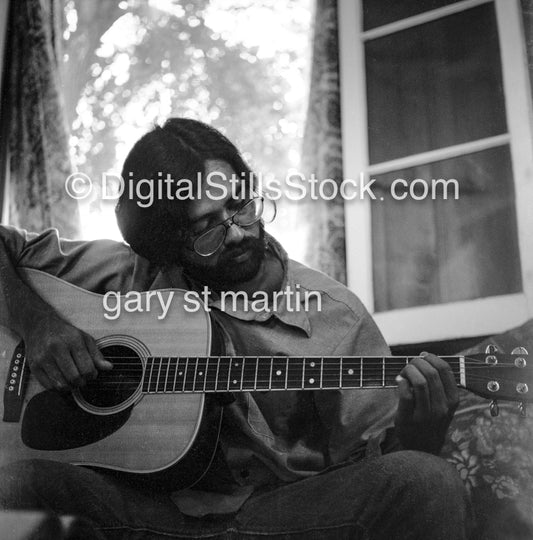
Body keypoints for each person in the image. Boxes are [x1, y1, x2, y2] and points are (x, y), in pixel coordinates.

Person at [0, 118, 473, 539]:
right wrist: (36, 322)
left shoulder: (334, 315)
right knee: (14, 481)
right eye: (207, 227)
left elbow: (378, 467)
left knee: (427, 479)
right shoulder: (130, 273)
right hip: (140, 507)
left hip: (279, 517)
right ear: (166, 245)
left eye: (240, 205)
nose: (241, 232)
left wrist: (421, 432)